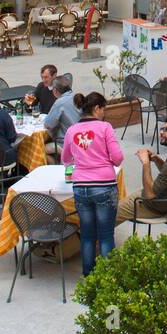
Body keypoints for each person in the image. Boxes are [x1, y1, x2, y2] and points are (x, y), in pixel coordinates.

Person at [61, 92, 124, 275]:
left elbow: (65, 158)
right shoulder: (105, 127)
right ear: (97, 108)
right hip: (104, 185)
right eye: (103, 109)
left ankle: (88, 275)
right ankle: (108, 277)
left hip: (81, 187)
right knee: (105, 235)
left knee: (87, 235)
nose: (104, 113)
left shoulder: (71, 130)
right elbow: (118, 158)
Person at [116, 117, 167, 223]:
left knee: (109, 214)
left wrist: (145, 163)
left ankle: (96, 238)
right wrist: (156, 159)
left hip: (154, 207)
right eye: (161, 129)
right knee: (120, 202)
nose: (161, 133)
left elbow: (149, 194)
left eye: (166, 130)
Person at [44, 73, 80, 150]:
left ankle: (59, 162)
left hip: (67, 142)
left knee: (41, 150)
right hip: (82, 138)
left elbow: (48, 124)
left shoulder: (60, 102)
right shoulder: (77, 96)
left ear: (55, 90)